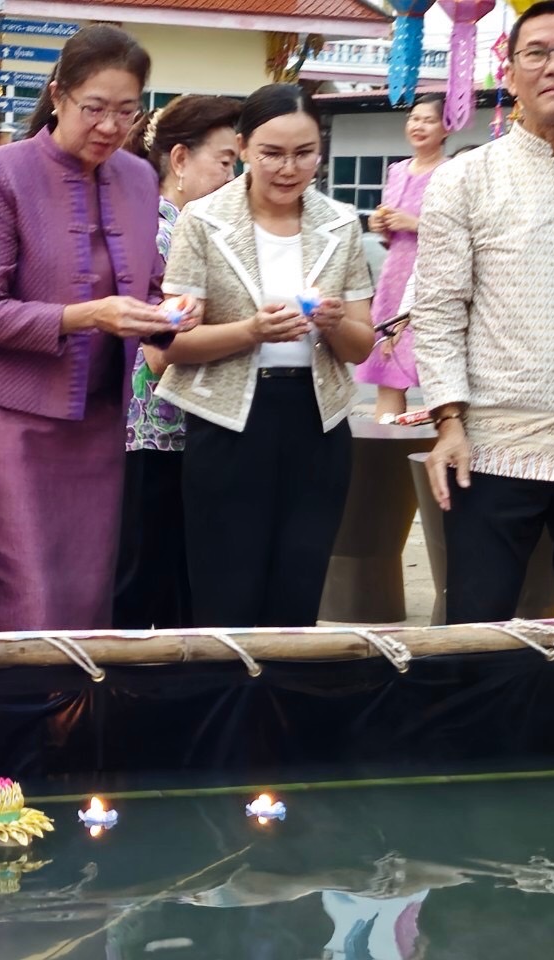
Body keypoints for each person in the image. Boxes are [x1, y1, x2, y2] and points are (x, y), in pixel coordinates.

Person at [0, 25, 186, 632]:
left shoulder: (137, 179)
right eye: (95, 109)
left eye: (127, 113)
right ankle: (6, 724)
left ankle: (72, 726)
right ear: (57, 97)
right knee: (22, 598)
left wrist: (170, 315)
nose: (111, 127)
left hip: (100, 418)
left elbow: (151, 284)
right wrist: (88, 315)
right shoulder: (0, 172)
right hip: (8, 419)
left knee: (86, 604)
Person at [156, 83, 374, 628]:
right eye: (272, 153)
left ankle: (285, 710)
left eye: (303, 153)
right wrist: (252, 330)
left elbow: (362, 343)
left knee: (297, 594)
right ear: (244, 147)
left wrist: (333, 322)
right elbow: (172, 340)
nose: (288, 168)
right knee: (225, 593)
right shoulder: (204, 221)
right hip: (229, 424)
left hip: (317, 424)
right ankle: (225, 709)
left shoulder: (339, 223)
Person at [413, 0, 554, 624]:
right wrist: (448, 421)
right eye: (538, 53)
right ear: (510, 71)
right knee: (476, 642)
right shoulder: (465, 178)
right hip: (493, 449)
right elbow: (438, 308)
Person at [114, 94, 240, 630]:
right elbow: (159, 352)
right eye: (226, 161)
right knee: (148, 582)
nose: (236, 176)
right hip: (153, 433)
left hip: (193, 430)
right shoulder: (156, 232)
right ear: (181, 160)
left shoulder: (210, 230)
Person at [354, 94, 448, 420]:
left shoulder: (453, 173)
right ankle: (387, 453)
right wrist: (381, 225)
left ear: (447, 127)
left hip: (432, 282)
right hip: (393, 280)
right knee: (387, 378)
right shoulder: (396, 170)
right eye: (414, 119)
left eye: (428, 120)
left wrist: (415, 224)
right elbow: (390, 238)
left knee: (437, 381)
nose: (418, 126)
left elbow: (460, 233)